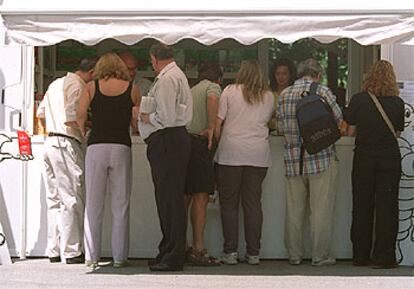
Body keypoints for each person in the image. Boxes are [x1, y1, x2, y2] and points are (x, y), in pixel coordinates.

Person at [276, 58, 342, 266]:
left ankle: (294, 255)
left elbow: (280, 126)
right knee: (320, 210)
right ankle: (319, 255)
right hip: (321, 158)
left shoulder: (284, 94)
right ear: (318, 74)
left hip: (293, 161)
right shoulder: (322, 92)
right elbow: (339, 120)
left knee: (294, 211)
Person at [77, 52, 140, 269]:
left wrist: (83, 131)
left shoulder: (91, 88)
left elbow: (80, 113)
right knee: (120, 204)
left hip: (96, 146)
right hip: (121, 146)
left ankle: (91, 256)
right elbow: (135, 122)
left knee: (93, 204)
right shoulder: (132, 89)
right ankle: (120, 257)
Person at [138, 42, 192, 272]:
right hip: (172, 141)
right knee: (169, 199)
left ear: (154, 58)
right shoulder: (174, 76)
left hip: (168, 140)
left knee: (169, 199)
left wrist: (144, 116)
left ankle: (173, 254)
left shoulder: (168, 79)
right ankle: (168, 248)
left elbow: (167, 118)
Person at [345, 60, 404, 269]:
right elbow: (397, 133)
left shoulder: (359, 100)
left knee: (362, 206)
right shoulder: (397, 103)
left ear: (369, 76)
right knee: (387, 208)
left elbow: (350, 131)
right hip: (389, 158)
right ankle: (384, 256)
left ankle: (360, 256)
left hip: (364, 158)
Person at [36, 58, 96, 264]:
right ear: (92, 72)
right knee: (72, 198)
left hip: (49, 142)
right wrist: (84, 129)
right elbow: (72, 117)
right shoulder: (78, 86)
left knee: (54, 200)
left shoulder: (55, 83)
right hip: (66, 142)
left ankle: (53, 249)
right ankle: (72, 251)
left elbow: (40, 113)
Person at [214, 60, 274, 265]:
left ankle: (230, 252)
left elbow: (218, 124)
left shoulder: (229, 91)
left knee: (229, 204)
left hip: (231, 153)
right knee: (253, 205)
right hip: (258, 155)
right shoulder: (268, 96)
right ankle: (254, 253)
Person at [185, 63, 222, 266]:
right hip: (200, 144)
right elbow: (213, 98)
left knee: (185, 196)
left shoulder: (190, 90)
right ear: (219, 79)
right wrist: (211, 128)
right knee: (201, 197)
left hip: (185, 143)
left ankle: (181, 245)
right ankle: (198, 248)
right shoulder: (212, 87)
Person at [268, 58, 297, 133]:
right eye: (278, 74)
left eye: (284, 73)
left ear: (290, 74)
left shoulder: (295, 93)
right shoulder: (268, 94)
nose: (281, 77)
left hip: (292, 133)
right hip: (272, 133)